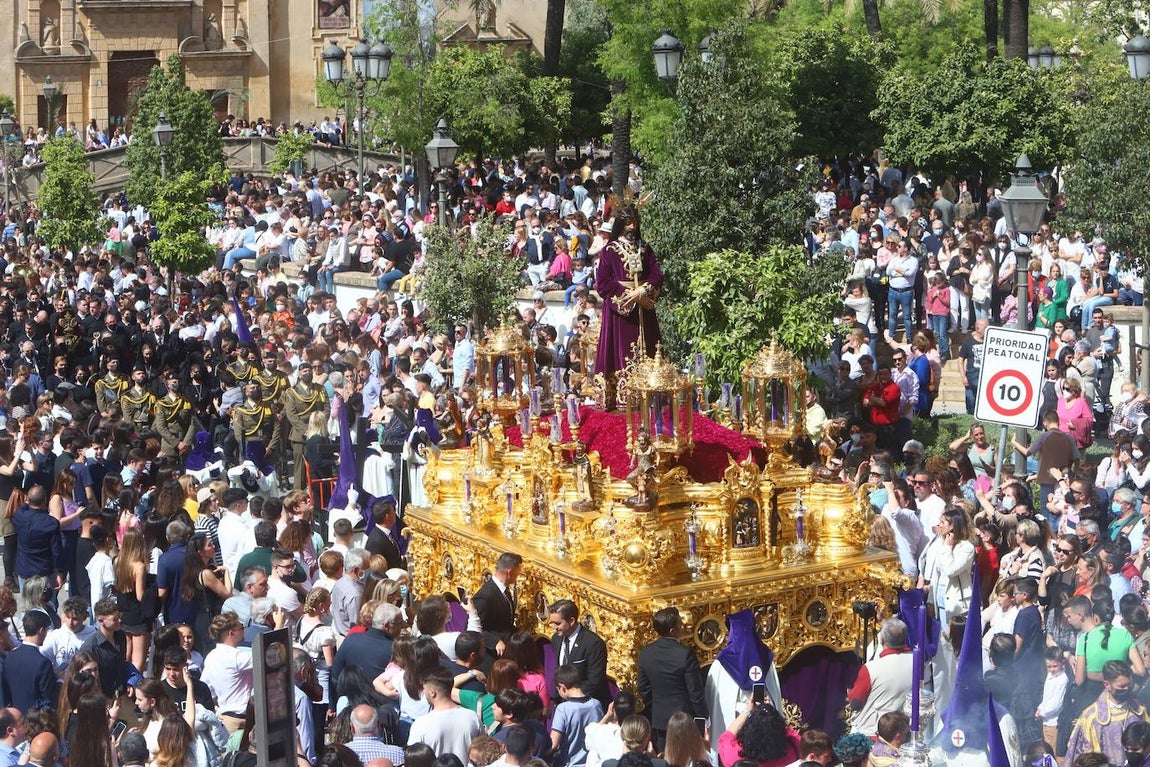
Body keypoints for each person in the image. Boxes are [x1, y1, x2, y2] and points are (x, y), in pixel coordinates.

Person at [594, 205, 663, 406]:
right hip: (621, 314)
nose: (632, 226)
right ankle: (621, 395)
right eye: (627, 222)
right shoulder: (608, 251)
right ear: (621, 224)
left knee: (649, 347)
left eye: (634, 222)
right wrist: (629, 296)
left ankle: (650, 391)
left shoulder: (645, 248)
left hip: (644, 309)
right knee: (621, 351)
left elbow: (657, 275)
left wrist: (644, 291)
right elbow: (603, 284)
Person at [636, 607, 706, 747]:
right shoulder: (685, 654)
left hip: (659, 720)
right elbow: (695, 692)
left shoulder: (645, 653)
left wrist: (656, 708)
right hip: (683, 721)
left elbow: (643, 688)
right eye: (680, 623)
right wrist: (704, 717)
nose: (682, 626)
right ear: (672, 631)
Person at [1066, 660, 1150, 765]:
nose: (1127, 689)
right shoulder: (1091, 718)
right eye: (1122, 686)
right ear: (1107, 685)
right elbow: (1084, 757)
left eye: (1129, 685)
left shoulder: (1139, 710)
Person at [847, 619, 913, 736]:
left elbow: (855, 704)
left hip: (871, 732)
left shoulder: (871, 668)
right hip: (901, 731)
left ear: (882, 640)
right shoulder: (916, 662)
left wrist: (850, 694)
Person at [408, 669, 483, 762]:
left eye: (424, 690)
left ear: (432, 692)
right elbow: (483, 750)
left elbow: (413, 760)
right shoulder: (472, 717)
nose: (424, 693)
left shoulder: (420, 724)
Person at [548, 599, 610, 710]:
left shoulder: (593, 643)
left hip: (586, 707)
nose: (553, 627)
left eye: (557, 623)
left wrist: (570, 697)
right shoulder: (556, 639)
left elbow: (595, 681)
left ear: (571, 621)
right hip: (565, 705)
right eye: (552, 622)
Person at [200, 612, 253, 734]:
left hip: (226, 721)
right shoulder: (237, 657)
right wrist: (279, 625)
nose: (243, 630)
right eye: (241, 628)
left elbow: (207, 689)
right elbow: (268, 657)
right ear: (231, 633)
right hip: (241, 722)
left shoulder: (210, 657)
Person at [1, 611, 57, 712]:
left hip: (15, 719)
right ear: (41, 630)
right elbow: (49, 698)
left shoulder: (9, 658)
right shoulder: (43, 663)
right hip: (35, 720)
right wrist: (59, 681)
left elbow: (6, 693)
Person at [551, 664, 605, 767]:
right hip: (591, 763)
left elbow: (554, 743)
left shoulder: (563, 709)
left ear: (562, 687)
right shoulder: (596, 704)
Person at [473, 553, 522, 661]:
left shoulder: (504, 590)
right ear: (509, 572)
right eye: (518, 572)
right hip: (490, 654)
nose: (518, 576)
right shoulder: (485, 596)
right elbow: (474, 627)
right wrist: (494, 641)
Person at [717, 703, 800, 767]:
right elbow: (793, 734)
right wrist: (771, 715)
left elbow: (726, 737)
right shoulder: (792, 751)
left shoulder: (734, 756)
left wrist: (747, 710)